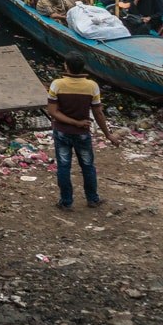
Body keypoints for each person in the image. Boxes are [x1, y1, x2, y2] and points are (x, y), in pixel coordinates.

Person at [46, 53, 115, 209]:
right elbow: (98, 113)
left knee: (64, 166)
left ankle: (66, 202)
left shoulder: (57, 84)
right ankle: (92, 199)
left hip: (62, 132)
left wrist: (73, 122)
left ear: (66, 66)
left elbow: (53, 111)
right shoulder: (92, 86)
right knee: (87, 166)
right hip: (82, 133)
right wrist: (108, 134)